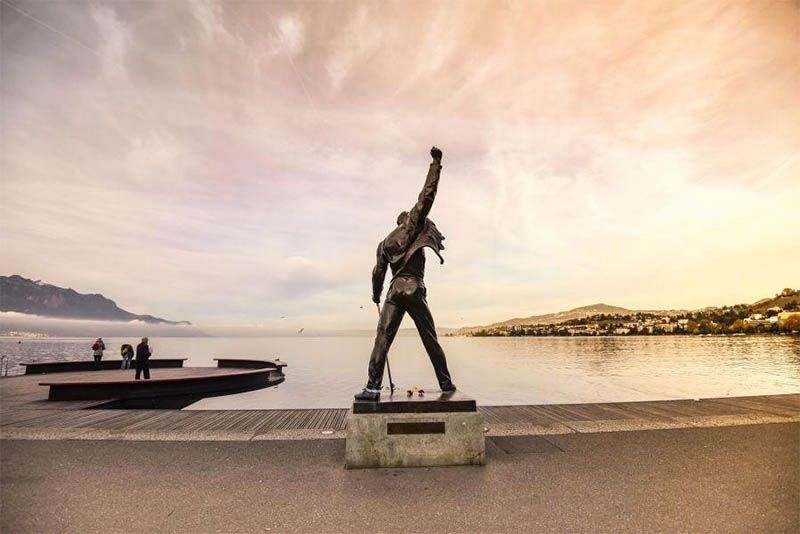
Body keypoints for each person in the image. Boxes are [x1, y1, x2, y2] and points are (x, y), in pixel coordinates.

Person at [355, 146, 456, 401]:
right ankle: (446, 384)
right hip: (413, 288)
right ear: (408, 219)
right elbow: (427, 195)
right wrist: (436, 163)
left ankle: (372, 388)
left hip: (393, 292)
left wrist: (376, 296)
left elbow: (377, 273)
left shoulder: (384, 243)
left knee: (382, 339)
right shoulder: (413, 226)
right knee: (429, 338)